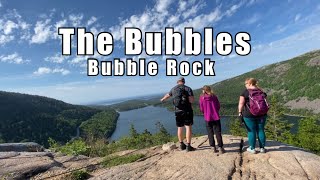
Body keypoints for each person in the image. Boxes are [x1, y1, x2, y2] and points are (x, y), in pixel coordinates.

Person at [160, 77, 195, 152]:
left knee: (180, 128)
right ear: (184, 82)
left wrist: (163, 99)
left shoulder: (173, 89)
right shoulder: (188, 88)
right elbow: (191, 100)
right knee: (188, 127)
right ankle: (188, 146)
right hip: (187, 110)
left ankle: (182, 145)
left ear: (177, 82)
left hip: (177, 111)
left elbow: (168, 95)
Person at [238, 78, 268, 154]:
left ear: (250, 83)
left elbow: (241, 104)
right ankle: (262, 148)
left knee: (251, 131)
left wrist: (239, 112)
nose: (245, 85)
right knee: (261, 130)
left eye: (246, 84)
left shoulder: (245, 92)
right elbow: (266, 103)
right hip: (262, 114)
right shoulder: (261, 91)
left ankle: (252, 148)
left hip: (249, 114)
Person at [199, 85, 225, 154]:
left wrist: (205, 112)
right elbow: (218, 106)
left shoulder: (202, 97)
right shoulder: (214, 96)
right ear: (210, 89)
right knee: (218, 132)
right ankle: (220, 147)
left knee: (210, 132)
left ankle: (213, 147)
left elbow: (201, 108)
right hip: (216, 117)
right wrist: (215, 111)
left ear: (204, 90)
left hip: (207, 117)